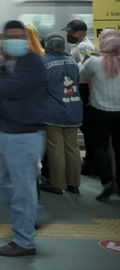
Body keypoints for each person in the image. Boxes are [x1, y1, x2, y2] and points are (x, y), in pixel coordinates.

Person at [0, 20, 47, 257]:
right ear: (3, 39)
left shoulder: (33, 62)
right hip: (2, 131)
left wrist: (1, 70)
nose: (15, 40)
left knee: (23, 189)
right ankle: (34, 216)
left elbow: (15, 90)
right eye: (10, 36)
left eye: (19, 36)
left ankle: (24, 241)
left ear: (25, 39)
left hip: (26, 134)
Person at [79, 29, 120, 202]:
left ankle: (108, 182)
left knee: (100, 147)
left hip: (99, 112)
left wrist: (86, 59)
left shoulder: (95, 62)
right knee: (118, 148)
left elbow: (79, 75)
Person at [39, 33, 82, 195]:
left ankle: (57, 184)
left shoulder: (43, 63)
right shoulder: (72, 62)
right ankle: (74, 183)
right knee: (73, 148)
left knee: (55, 148)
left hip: (53, 111)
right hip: (74, 108)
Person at [62, 19, 98, 176]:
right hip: (81, 88)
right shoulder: (78, 45)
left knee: (88, 129)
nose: (69, 34)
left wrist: (90, 94)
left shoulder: (84, 47)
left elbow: (89, 72)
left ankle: (91, 164)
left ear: (83, 33)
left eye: (72, 32)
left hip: (84, 88)